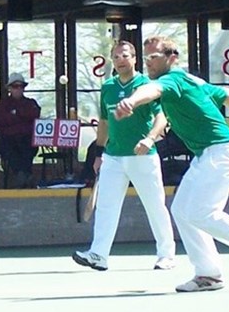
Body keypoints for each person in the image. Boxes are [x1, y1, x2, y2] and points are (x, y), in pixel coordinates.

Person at [115, 35, 229, 293]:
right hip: (208, 155)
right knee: (181, 210)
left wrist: (131, 101)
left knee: (202, 212)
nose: (149, 64)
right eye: (146, 59)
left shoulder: (172, 80)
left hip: (221, 153)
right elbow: (226, 94)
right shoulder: (193, 80)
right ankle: (208, 274)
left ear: (171, 58)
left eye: (154, 58)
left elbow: (152, 91)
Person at [72, 40, 177, 271]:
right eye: (116, 57)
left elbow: (162, 118)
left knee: (155, 205)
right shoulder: (108, 87)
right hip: (113, 157)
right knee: (107, 206)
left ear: (134, 58)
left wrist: (149, 138)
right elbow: (105, 122)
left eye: (125, 56)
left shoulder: (147, 85)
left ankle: (166, 254)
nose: (121, 60)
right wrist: (99, 153)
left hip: (144, 156)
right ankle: (98, 254)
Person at [0, 72, 41, 188]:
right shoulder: (2, 104)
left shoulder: (30, 103)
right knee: (8, 149)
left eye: (21, 86)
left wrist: (15, 114)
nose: (19, 89)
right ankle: (24, 175)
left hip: (27, 139)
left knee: (28, 148)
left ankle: (22, 176)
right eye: (15, 86)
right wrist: (23, 116)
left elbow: (35, 114)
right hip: (8, 140)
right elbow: (0, 121)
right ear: (10, 88)